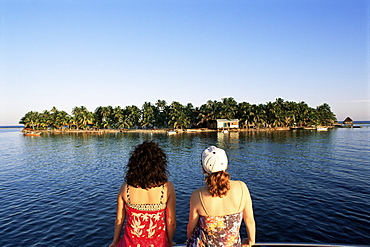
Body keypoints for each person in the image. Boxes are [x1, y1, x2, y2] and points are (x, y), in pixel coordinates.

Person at [109, 140, 176, 247]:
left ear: (134, 165)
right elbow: (170, 221)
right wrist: (169, 241)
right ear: (159, 165)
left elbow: (119, 220)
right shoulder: (167, 188)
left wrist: (115, 241)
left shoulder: (125, 188)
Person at [186, 146, 256, 247]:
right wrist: (251, 241)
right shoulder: (242, 187)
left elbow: (190, 228)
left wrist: (190, 241)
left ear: (203, 170)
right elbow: (249, 220)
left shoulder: (197, 195)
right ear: (226, 165)